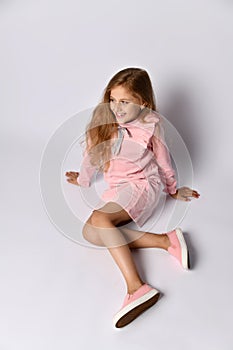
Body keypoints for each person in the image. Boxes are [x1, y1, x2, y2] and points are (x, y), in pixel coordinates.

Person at [65, 67, 200, 328]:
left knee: (99, 220)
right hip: (119, 189)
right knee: (90, 233)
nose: (117, 107)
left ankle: (136, 287)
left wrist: (172, 190)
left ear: (143, 103)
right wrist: (82, 180)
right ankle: (165, 241)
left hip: (143, 186)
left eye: (124, 102)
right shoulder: (104, 121)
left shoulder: (150, 125)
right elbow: (91, 157)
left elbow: (164, 161)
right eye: (113, 100)